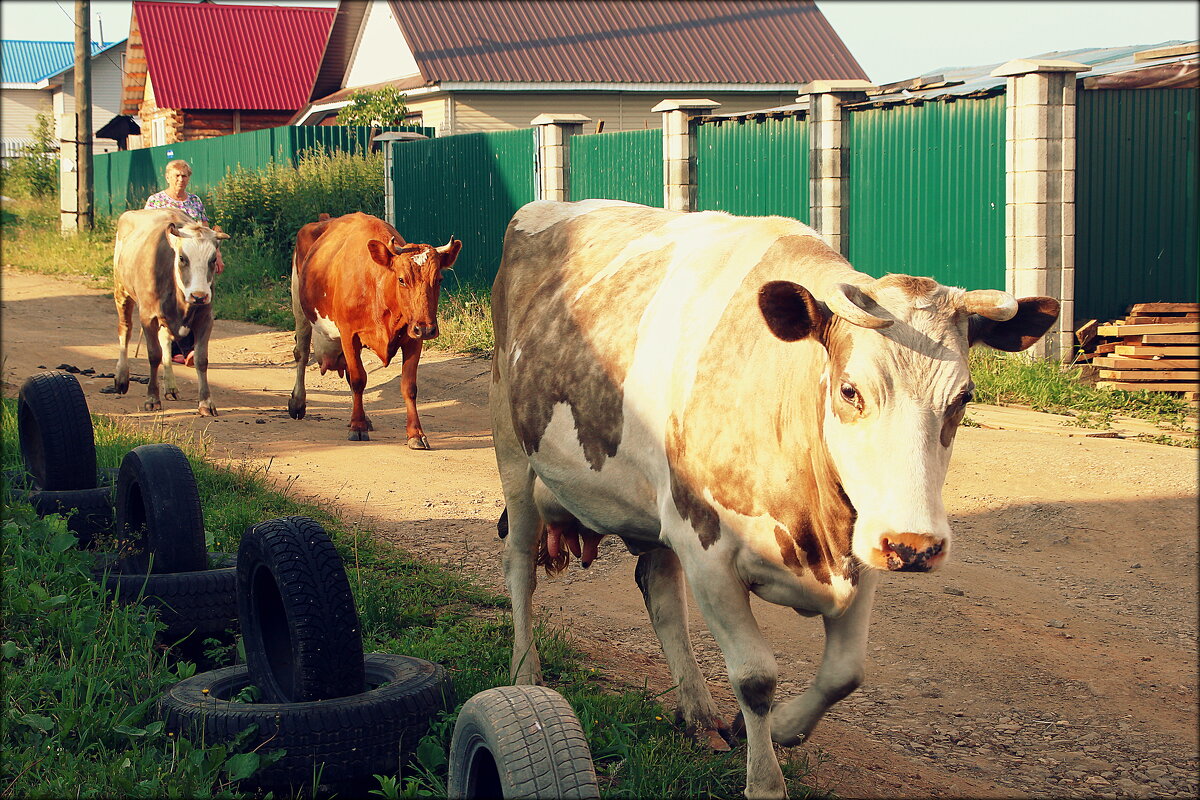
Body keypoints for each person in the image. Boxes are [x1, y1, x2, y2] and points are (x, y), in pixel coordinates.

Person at [144, 159, 225, 365]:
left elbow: (206, 232)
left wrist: (217, 255)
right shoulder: (156, 201)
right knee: (169, 302)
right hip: (163, 261)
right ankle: (176, 349)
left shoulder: (195, 201)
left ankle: (186, 348)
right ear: (168, 177)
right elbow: (146, 231)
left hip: (192, 263)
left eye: (185, 176)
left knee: (192, 302)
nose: (181, 180)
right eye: (177, 176)